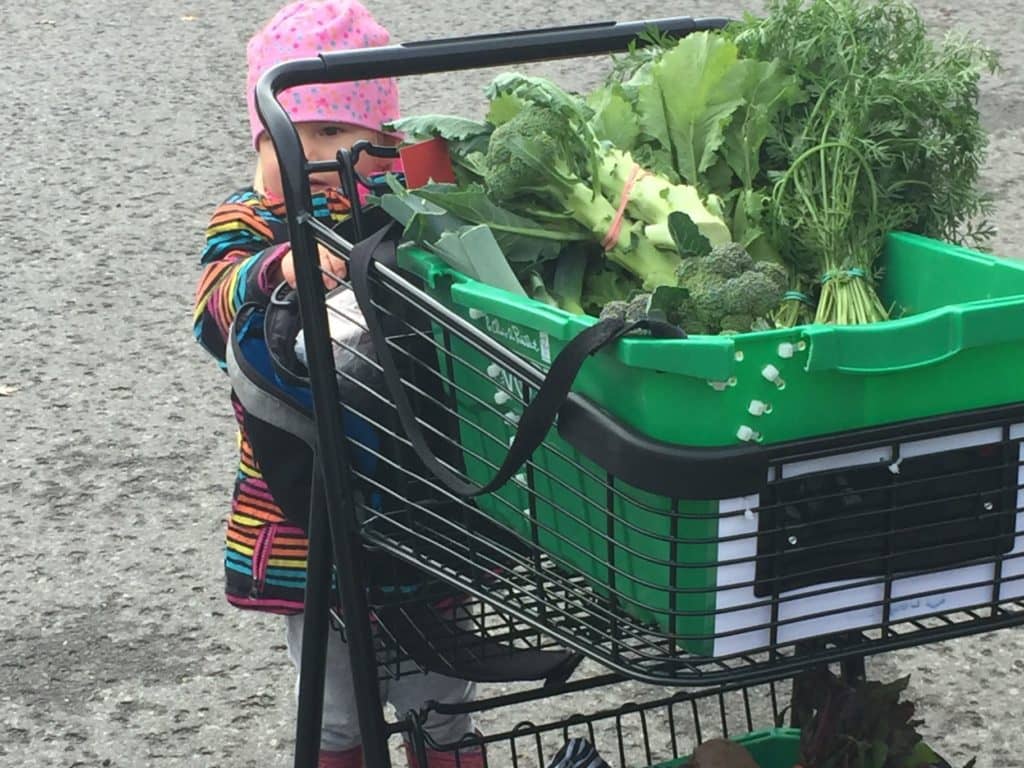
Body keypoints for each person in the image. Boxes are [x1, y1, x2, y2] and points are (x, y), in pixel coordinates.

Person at [191, 2, 482, 766]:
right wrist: (275, 266)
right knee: (336, 715)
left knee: (442, 703)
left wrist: (436, 170)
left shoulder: (398, 209)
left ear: (379, 149)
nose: (289, 156)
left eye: (325, 136)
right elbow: (213, 306)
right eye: (280, 136)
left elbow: (463, 240)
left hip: (424, 503)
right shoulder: (252, 223)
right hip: (305, 513)